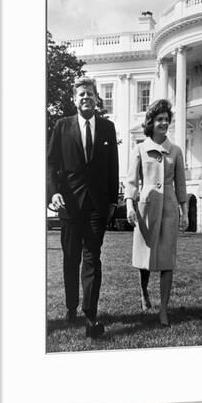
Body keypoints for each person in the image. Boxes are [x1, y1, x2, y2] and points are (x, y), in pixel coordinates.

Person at [47, 77, 119, 338]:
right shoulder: (61, 127)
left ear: (96, 98)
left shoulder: (107, 128)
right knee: (71, 258)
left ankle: (90, 314)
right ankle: (71, 307)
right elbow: (51, 163)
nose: (85, 97)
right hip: (69, 205)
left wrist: (112, 200)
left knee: (92, 258)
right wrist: (53, 192)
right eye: (81, 95)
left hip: (97, 206)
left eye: (89, 94)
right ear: (74, 99)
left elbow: (113, 166)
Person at [125, 99, 188, 327]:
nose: (163, 123)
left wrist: (185, 211)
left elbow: (182, 185)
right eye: (159, 119)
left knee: (167, 260)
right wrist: (130, 206)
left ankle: (163, 309)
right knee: (144, 259)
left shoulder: (176, 151)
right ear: (150, 122)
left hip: (170, 209)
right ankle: (143, 293)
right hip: (147, 209)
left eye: (166, 119)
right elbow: (131, 181)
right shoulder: (140, 149)